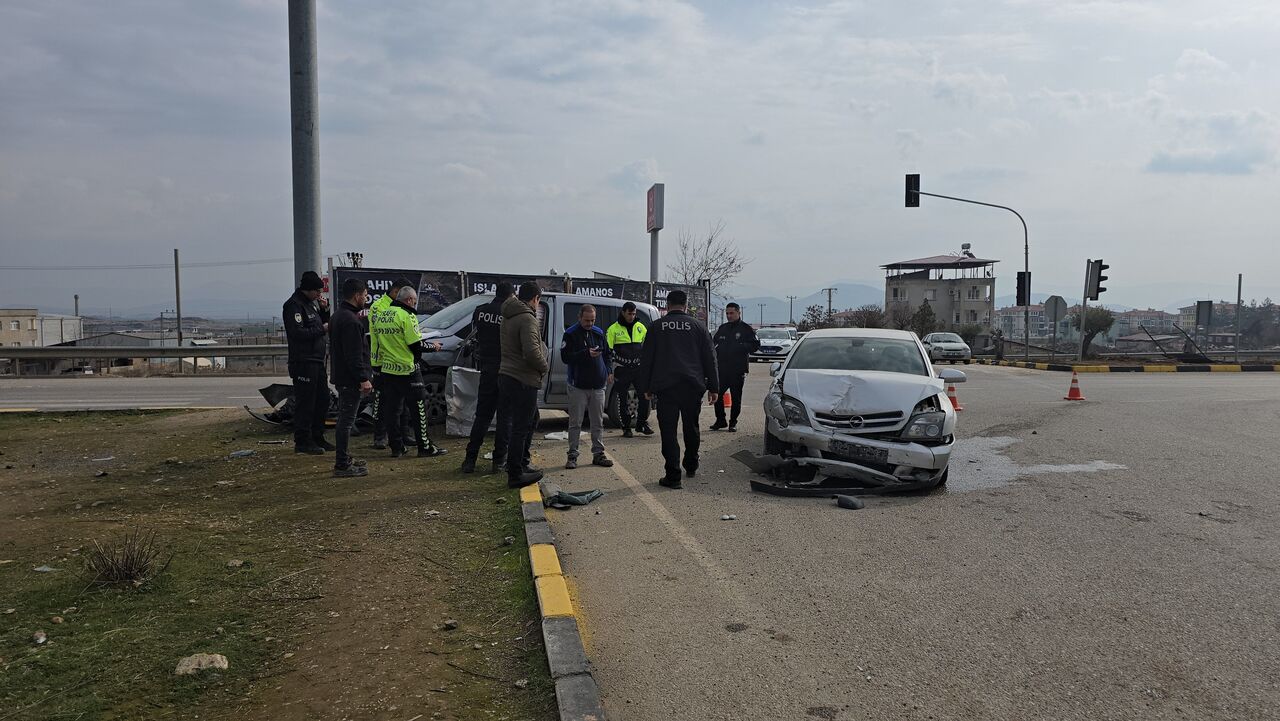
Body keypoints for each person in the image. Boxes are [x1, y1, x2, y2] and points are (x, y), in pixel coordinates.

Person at [637, 290, 718, 489]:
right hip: (692, 386)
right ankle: (691, 465)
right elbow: (710, 358)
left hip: (666, 388)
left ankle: (673, 476)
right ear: (686, 305)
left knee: (668, 432)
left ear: (668, 304)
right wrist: (714, 387)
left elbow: (646, 359)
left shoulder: (656, 327)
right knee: (691, 427)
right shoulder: (698, 327)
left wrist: (645, 387)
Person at [368, 286, 447, 458]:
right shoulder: (407, 315)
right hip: (408, 370)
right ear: (409, 300)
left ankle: (396, 447)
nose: (415, 304)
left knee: (392, 411)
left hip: (388, 369)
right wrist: (433, 346)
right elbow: (415, 344)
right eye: (415, 301)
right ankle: (425, 447)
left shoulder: (382, 315)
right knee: (419, 410)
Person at [498, 281, 548, 488]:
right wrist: (544, 367)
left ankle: (521, 463)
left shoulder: (508, 315)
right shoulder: (527, 318)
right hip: (523, 379)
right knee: (522, 426)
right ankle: (516, 473)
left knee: (529, 420)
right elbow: (531, 352)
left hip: (507, 375)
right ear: (535, 299)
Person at [461, 282, 514, 474]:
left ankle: (470, 459)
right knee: (505, 418)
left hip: (487, 370)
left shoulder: (480, 311)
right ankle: (499, 461)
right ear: (510, 296)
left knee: (482, 417)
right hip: (505, 371)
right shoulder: (509, 314)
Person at [283, 270, 332, 454]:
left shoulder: (312, 305)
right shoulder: (294, 305)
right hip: (303, 361)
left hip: (317, 360)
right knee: (306, 403)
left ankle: (317, 436)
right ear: (308, 289)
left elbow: (320, 325)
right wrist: (322, 329)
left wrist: (324, 311)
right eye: (317, 291)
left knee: (322, 400)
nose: (319, 294)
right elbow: (297, 333)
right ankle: (303, 441)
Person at [560, 304, 614, 470]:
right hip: (578, 386)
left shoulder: (598, 332)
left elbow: (608, 354)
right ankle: (572, 455)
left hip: (598, 386)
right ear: (579, 318)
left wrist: (609, 371)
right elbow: (565, 357)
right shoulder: (570, 334)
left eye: (592, 320)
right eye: (586, 320)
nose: (590, 323)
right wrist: (585, 353)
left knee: (597, 422)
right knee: (575, 423)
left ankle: (598, 453)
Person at [329, 278, 373, 477]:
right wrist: (363, 378)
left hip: (342, 376)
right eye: (365, 295)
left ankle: (344, 458)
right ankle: (342, 464)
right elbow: (353, 356)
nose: (366, 299)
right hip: (350, 379)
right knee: (346, 422)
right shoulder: (351, 321)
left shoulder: (338, 315)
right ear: (357, 295)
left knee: (344, 420)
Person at [369, 277, 415, 450]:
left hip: (401, 361)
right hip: (382, 360)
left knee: (403, 401)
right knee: (382, 401)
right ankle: (380, 436)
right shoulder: (378, 306)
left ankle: (404, 434)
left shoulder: (402, 308)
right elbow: (383, 332)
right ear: (396, 291)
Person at [711, 302, 760, 432]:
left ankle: (733, 422)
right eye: (727, 313)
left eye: (731, 313)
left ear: (739, 313)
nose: (729, 316)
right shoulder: (723, 328)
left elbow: (755, 345)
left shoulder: (746, 329)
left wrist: (741, 347)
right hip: (722, 369)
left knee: (736, 397)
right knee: (717, 394)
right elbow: (714, 344)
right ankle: (720, 420)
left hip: (737, 370)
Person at [606, 302, 653, 438]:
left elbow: (648, 348)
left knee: (645, 396)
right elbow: (608, 352)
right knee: (623, 399)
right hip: (622, 369)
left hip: (638, 369)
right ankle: (626, 427)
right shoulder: (613, 329)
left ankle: (641, 423)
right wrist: (610, 371)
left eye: (634, 314)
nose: (632, 316)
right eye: (629, 314)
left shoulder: (640, 327)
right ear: (623, 312)